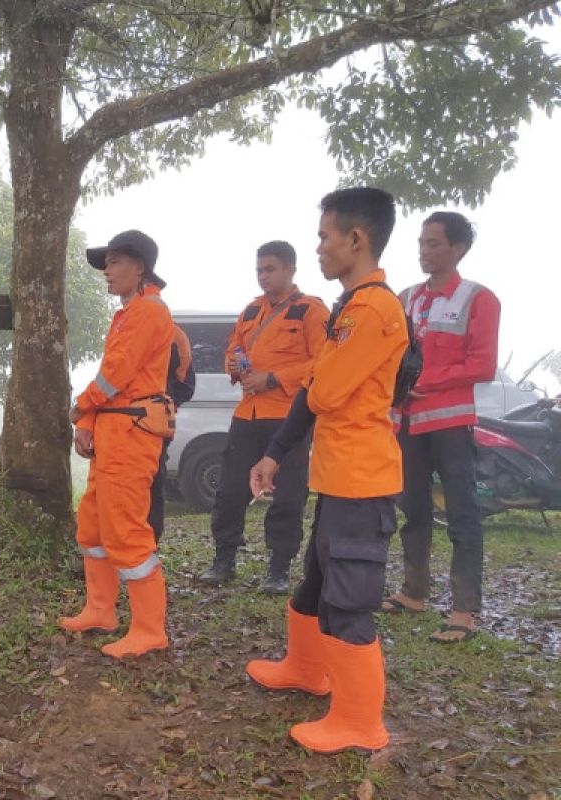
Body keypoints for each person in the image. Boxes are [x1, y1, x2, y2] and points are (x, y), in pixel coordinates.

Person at [246, 187, 408, 754]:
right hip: (338, 478)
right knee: (315, 585)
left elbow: (327, 388)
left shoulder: (373, 309)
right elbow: (315, 389)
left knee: (347, 601)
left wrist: (313, 383)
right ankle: (305, 669)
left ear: (355, 239)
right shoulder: (347, 308)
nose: (318, 247)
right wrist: (275, 451)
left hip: (363, 483)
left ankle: (361, 723)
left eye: (323, 236)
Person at [382, 212, 500, 642]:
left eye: (434, 243)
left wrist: (423, 382)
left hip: (450, 425)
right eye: (421, 242)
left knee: (463, 515)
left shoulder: (478, 299)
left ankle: (465, 610)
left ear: (458, 249)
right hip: (407, 424)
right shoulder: (405, 298)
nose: (424, 251)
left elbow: (482, 365)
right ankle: (414, 592)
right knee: (411, 509)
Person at [60, 229, 176, 660]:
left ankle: (149, 630)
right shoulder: (128, 313)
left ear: (139, 266)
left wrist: (80, 407)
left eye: (113, 263)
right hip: (113, 431)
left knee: (126, 528)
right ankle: (100, 610)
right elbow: (111, 376)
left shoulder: (148, 312)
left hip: (131, 435)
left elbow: (115, 376)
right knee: (92, 525)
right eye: (105, 265)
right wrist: (88, 421)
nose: (106, 273)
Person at [197, 242, 329, 593]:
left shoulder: (310, 311)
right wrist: (232, 364)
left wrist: (274, 378)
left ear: (290, 270)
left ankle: (279, 568)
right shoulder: (252, 311)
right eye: (259, 270)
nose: (263, 276)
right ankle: (224, 559)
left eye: (270, 269)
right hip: (248, 413)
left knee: (288, 494)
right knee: (228, 490)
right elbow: (234, 348)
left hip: (289, 417)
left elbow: (323, 362)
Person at [147, 324, 195, 542]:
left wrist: (165, 406)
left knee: (153, 479)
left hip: (155, 426)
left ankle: (150, 542)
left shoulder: (172, 334)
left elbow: (186, 383)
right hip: (120, 425)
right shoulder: (121, 326)